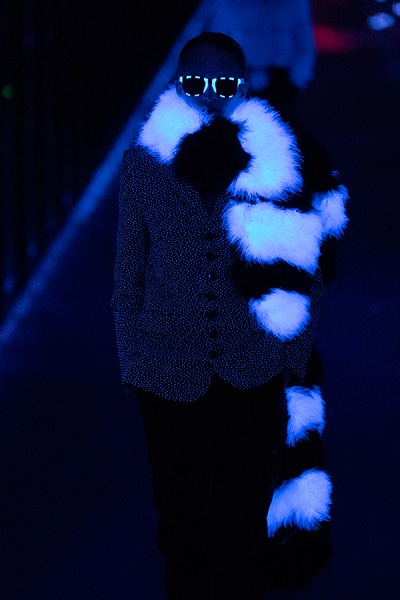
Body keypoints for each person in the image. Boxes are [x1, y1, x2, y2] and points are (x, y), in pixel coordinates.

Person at [111, 32, 348, 599]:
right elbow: (129, 269)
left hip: (253, 368)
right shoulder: (145, 161)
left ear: (243, 84)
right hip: (166, 371)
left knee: (243, 526)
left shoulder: (279, 155)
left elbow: (310, 264)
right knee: (180, 524)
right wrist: (133, 359)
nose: (209, 94)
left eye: (223, 82)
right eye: (195, 82)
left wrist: (291, 356)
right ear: (178, 83)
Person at [204, 0, 316, 109]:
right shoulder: (224, 3)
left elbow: (305, 43)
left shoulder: (295, 3)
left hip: (281, 79)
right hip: (236, 76)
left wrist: (299, 77)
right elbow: (218, 40)